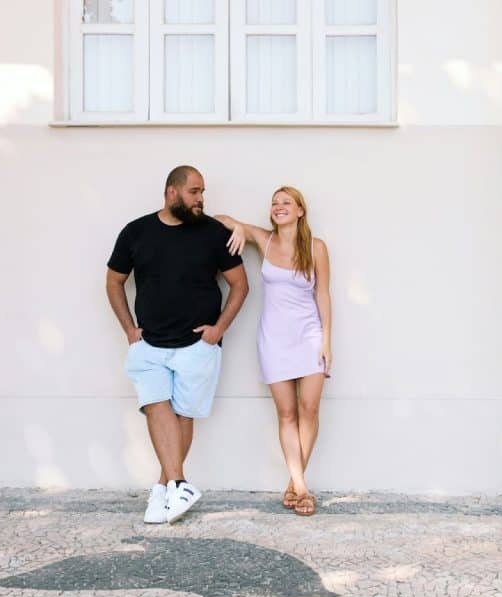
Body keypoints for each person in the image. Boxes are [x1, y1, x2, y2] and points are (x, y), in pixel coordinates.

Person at [106, 166, 248, 524]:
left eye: (203, 192)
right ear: (172, 192)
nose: (201, 199)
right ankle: (180, 483)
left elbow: (240, 285)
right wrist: (128, 329)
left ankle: (162, 490)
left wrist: (217, 329)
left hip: (197, 345)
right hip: (149, 343)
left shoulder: (214, 233)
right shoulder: (136, 231)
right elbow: (113, 282)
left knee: (182, 415)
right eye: (195, 191)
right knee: (156, 407)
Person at [216, 187, 332, 517]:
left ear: (300, 211)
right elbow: (222, 220)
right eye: (275, 203)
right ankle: (301, 486)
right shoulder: (263, 240)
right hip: (274, 340)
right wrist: (239, 227)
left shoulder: (316, 248)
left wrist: (326, 341)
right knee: (287, 414)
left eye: (287, 203)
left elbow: (323, 295)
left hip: (309, 336)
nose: (279, 207)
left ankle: (296, 483)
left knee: (309, 409)